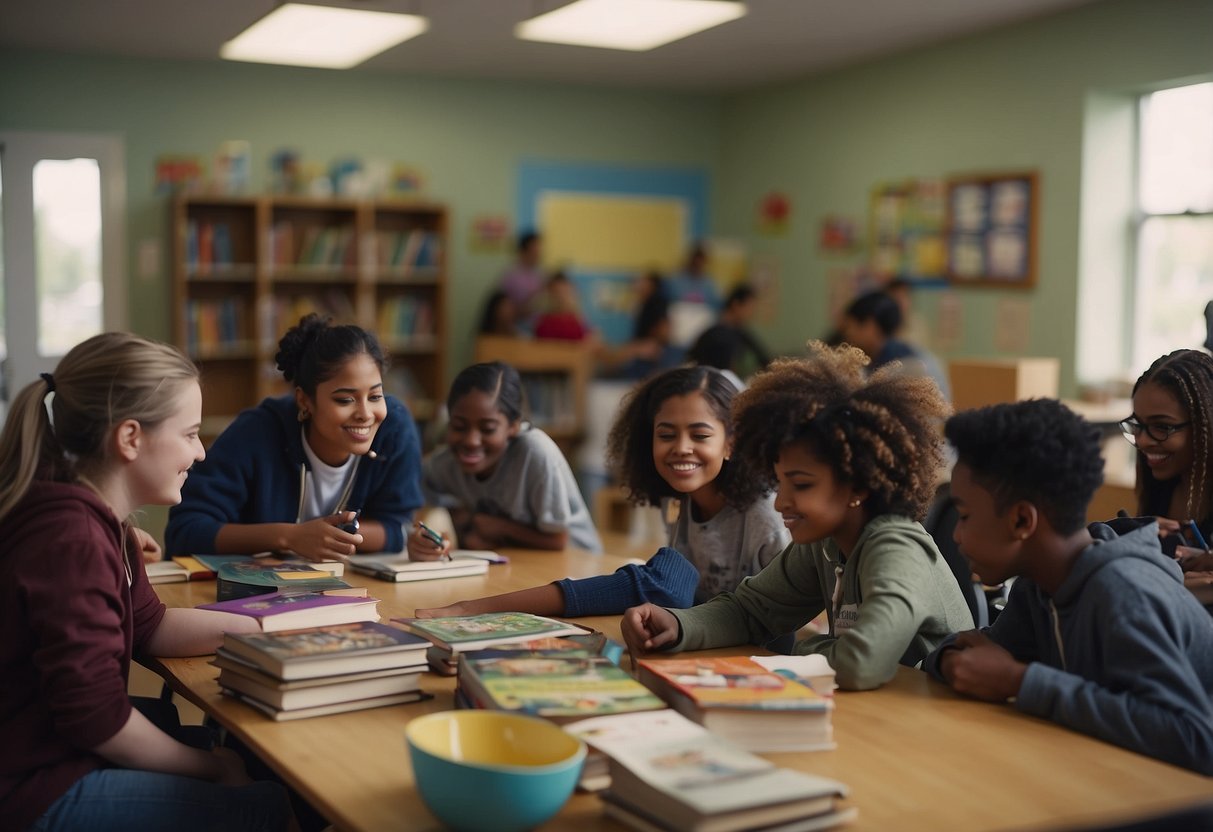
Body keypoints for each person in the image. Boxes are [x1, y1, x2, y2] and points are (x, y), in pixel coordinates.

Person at [0, 333, 292, 831]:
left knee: (236, 754)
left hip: (50, 749)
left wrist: (272, 628)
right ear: (130, 437)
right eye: (190, 433)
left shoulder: (102, 521)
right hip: (30, 787)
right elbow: (96, 718)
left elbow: (151, 626)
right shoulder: (72, 539)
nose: (201, 453)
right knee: (266, 807)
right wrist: (211, 769)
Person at [622, 344, 973, 690]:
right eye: (780, 483)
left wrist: (803, 650)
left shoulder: (896, 547)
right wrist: (678, 624)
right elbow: (752, 611)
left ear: (859, 486)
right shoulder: (824, 541)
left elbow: (861, 664)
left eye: (801, 486)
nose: (780, 503)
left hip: (935, 725)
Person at [923, 399, 1213, 775]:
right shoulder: (1039, 585)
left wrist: (1019, 679)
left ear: (1022, 520)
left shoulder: (1121, 592)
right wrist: (952, 659)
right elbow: (983, 652)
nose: (956, 536)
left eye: (964, 516)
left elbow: (1195, 738)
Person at [415, 366, 787, 619]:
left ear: (732, 443)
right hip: (696, 645)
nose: (681, 448)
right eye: (666, 434)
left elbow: (777, 620)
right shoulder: (680, 500)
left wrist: (472, 609)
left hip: (747, 659)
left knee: (658, 580)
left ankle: (474, 609)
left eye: (700, 435)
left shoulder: (766, 516)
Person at [166, 314, 423, 561]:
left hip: (348, 590)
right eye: (345, 399)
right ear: (304, 400)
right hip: (249, 594)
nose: (366, 414)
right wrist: (289, 537)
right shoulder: (256, 432)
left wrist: (330, 537)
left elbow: (397, 526)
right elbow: (186, 530)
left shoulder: (394, 429)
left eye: (375, 396)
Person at [407, 361, 602, 557]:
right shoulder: (443, 464)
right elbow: (416, 508)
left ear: (513, 426)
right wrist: (427, 535)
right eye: (459, 426)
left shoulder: (535, 453)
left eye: (488, 429)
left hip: (575, 561)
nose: (471, 441)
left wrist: (501, 528)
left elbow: (559, 540)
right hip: (511, 559)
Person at [1124, 349, 1213, 570]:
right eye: (1138, 425)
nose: (1143, 441)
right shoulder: (1160, 485)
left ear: (1206, 427)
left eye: (1162, 426)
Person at [839, 289, 950, 400]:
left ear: (870, 326)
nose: (847, 335)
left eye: (849, 327)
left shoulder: (905, 369)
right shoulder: (911, 354)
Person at [687, 283, 772, 385]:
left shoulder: (740, 332)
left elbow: (765, 358)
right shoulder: (719, 335)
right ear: (736, 304)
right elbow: (725, 374)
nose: (751, 314)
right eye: (749, 308)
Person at [497, 230, 545, 330]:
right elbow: (503, 307)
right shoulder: (511, 276)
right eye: (535, 249)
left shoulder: (540, 275)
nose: (539, 253)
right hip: (516, 328)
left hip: (538, 329)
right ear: (524, 250)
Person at [534, 271, 592, 341]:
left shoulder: (578, 318)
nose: (562, 297)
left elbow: (588, 335)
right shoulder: (544, 321)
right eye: (557, 292)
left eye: (566, 292)